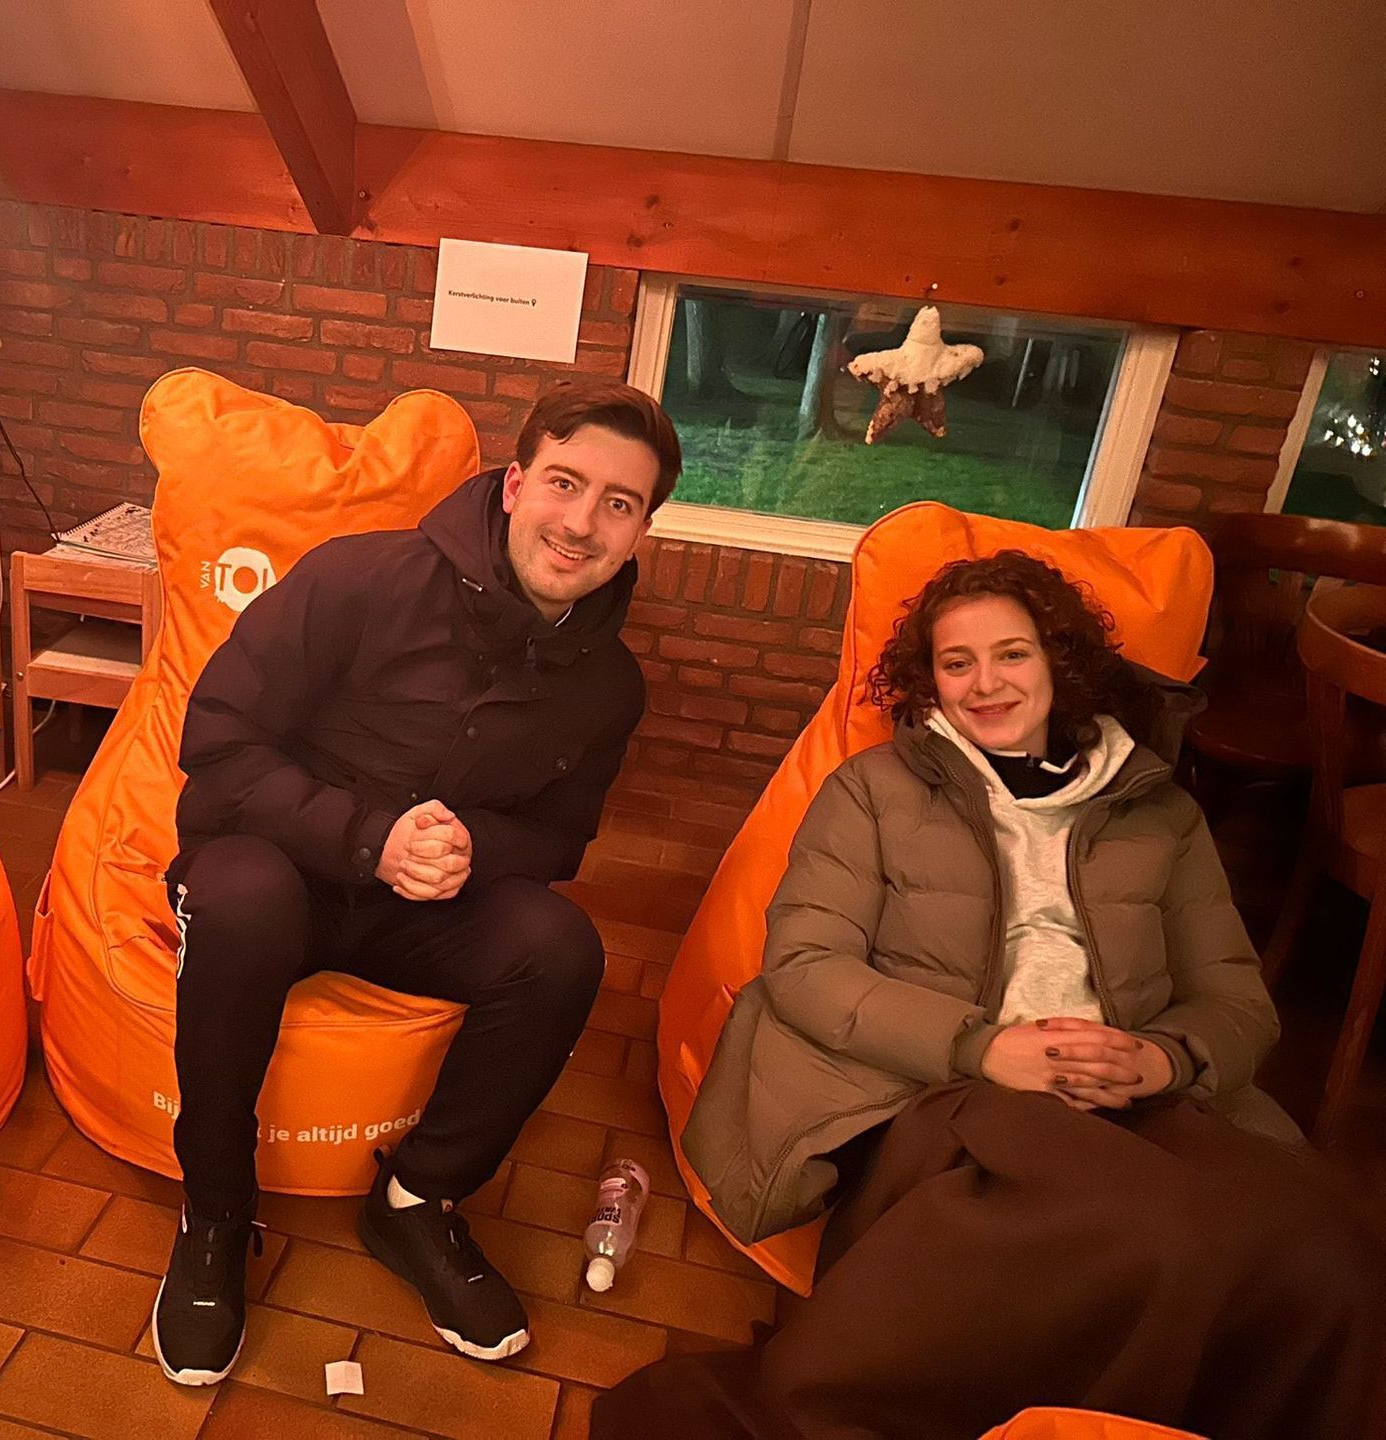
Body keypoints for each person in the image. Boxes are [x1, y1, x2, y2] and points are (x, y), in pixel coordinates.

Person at [598, 551, 1386, 1440]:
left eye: (1011, 653)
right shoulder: (875, 791)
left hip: (1139, 1095)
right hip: (949, 1090)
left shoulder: (1161, 814)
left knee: (1326, 1251)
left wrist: (1162, 1058)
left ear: (1059, 660)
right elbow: (808, 964)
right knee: (1154, 1232)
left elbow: (1236, 1000)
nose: (985, 683)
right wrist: (986, 1047)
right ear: (928, 680)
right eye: (956, 661)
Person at [150, 379, 680, 1385]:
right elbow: (218, 740)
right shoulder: (359, 577)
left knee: (561, 948)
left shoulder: (612, 684)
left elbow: (560, 839)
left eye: (620, 503)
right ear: (516, 484)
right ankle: (215, 1210)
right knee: (245, 902)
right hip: (278, 864)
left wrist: (471, 846)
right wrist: (370, 838)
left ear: (641, 529)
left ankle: (416, 1201)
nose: (582, 523)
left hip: (424, 905)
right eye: (565, 483)